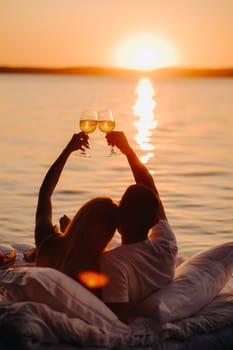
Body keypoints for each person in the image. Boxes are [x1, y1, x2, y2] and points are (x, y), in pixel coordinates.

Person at [99, 131, 178, 323]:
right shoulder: (167, 245)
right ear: (153, 221)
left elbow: (118, 319)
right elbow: (150, 188)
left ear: (118, 220)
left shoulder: (113, 263)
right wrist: (127, 150)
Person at [34, 132, 118, 295]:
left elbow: (45, 194)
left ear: (80, 218)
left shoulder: (48, 246)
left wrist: (68, 150)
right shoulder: (102, 268)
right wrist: (128, 151)